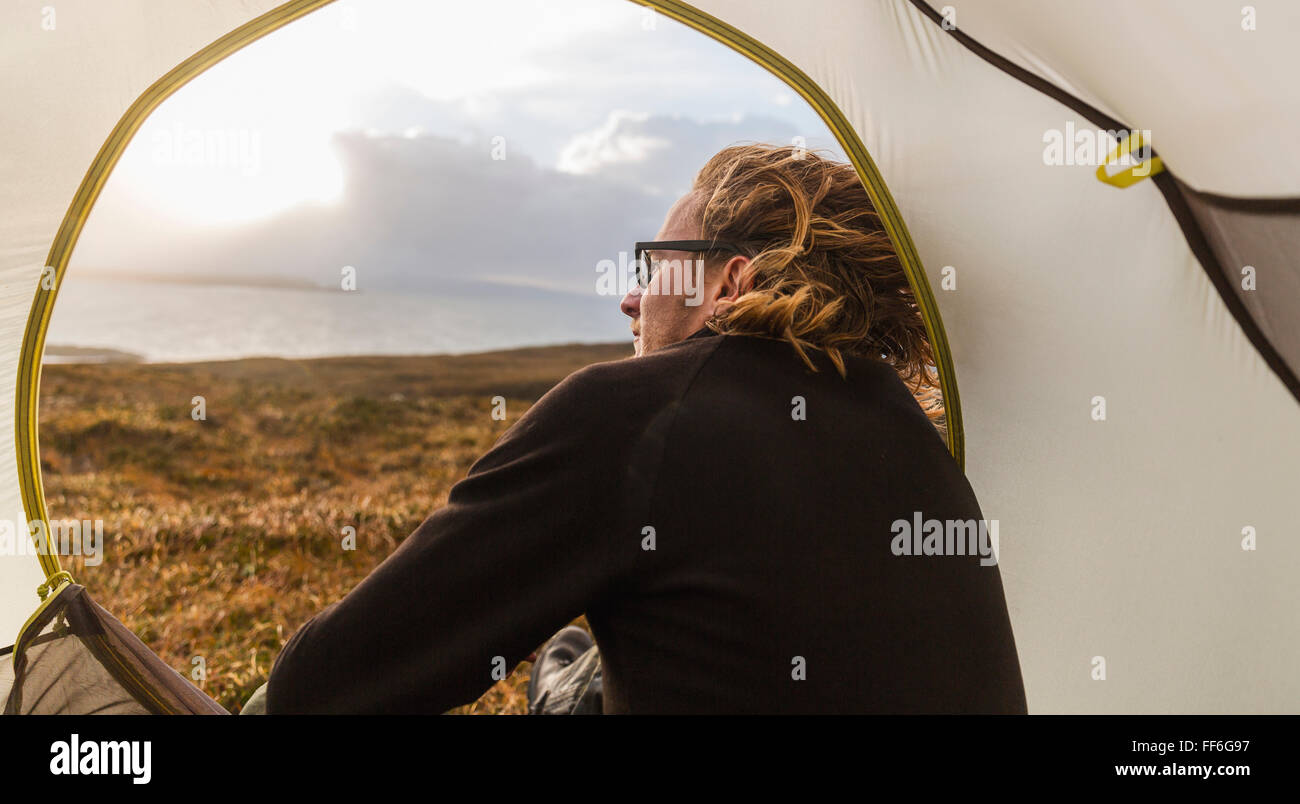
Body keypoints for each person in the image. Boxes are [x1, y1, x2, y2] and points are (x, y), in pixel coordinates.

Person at [258, 142, 1027, 714]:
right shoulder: (914, 441)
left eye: (654, 264)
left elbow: (323, 688)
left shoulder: (638, 411)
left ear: (731, 282)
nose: (631, 300)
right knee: (583, 669)